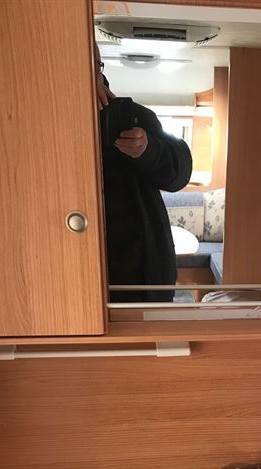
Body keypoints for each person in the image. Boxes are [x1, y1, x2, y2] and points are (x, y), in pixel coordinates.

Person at [95, 45, 192, 303]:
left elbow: (181, 172)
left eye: (95, 67)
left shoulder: (132, 116)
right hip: (75, 270)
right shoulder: (47, 118)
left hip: (144, 273)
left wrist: (149, 149)